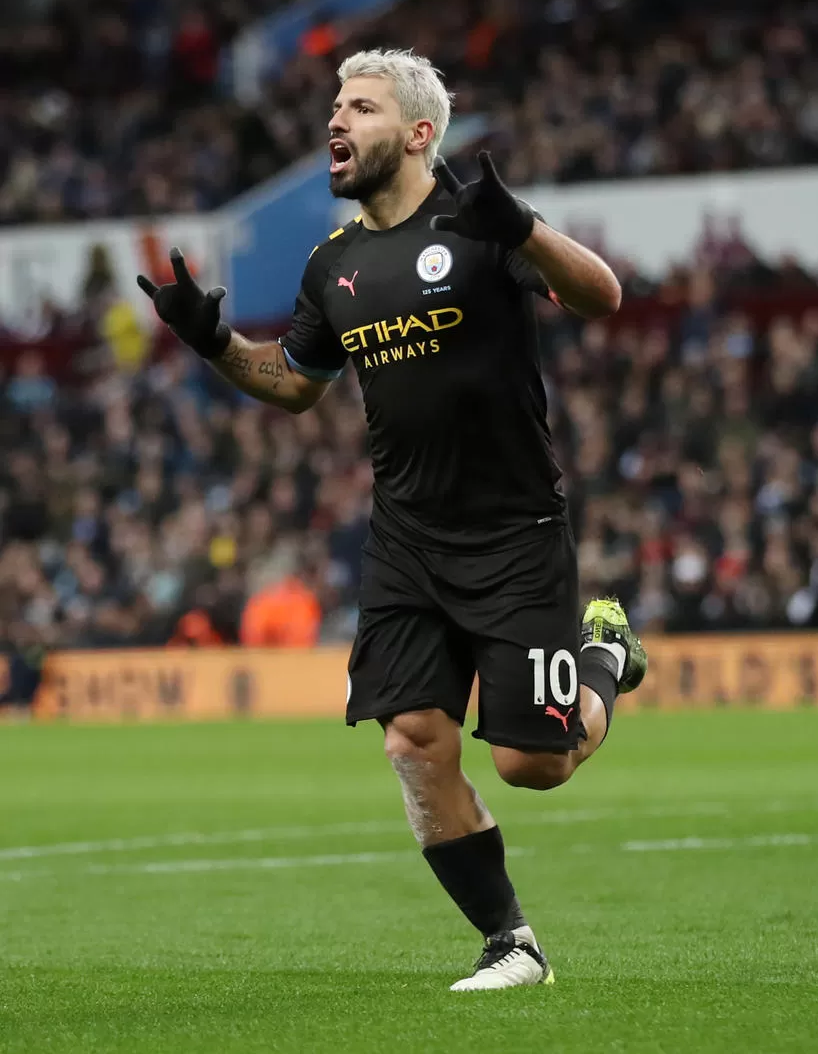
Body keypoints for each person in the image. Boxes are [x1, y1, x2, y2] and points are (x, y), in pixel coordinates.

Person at [137, 48, 648, 992]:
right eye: (335, 105)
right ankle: (511, 944)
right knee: (413, 739)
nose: (336, 121)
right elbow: (294, 385)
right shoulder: (333, 264)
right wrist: (211, 343)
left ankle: (606, 654)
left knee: (532, 767)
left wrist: (526, 229)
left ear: (418, 135)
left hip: (515, 534)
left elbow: (603, 297)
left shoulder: (482, 225)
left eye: (361, 107)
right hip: (407, 537)